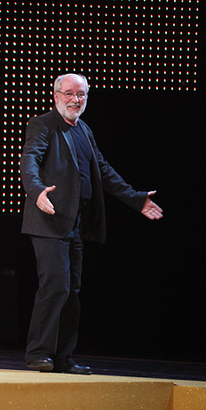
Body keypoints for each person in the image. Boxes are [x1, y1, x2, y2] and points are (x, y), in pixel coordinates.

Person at [20, 73, 163, 374]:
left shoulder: (84, 130)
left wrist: (136, 199)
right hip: (48, 221)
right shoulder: (43, 124)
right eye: (70, 93)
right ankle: (38, 354)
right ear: (56, 95)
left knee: (72, 291)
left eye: (81, 94)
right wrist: (36, 192)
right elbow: (29, 160)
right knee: (56, 286)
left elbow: (103, 170)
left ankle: (63, 357)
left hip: (74, 224)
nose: (76, 100)